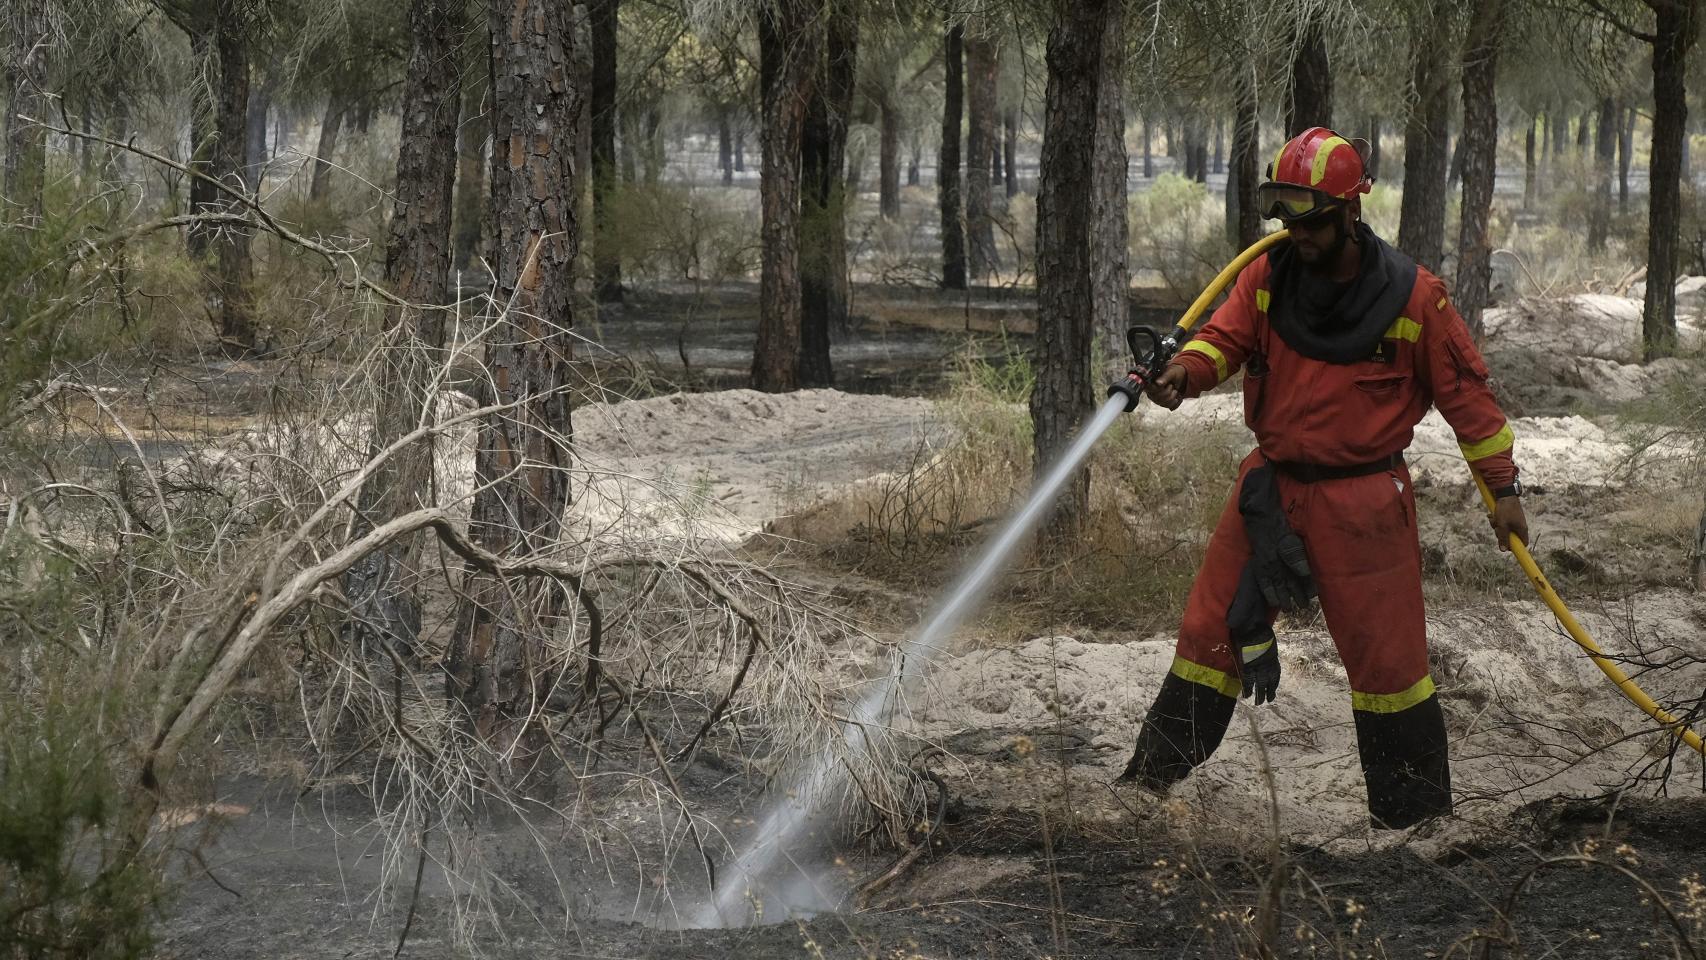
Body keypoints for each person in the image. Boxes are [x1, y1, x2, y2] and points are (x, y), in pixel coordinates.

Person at [1119, 126, 1528, 829]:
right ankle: (1144, 790)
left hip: (1364, 506)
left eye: (1310, 221)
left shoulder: (1415, 300)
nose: (1296, 234)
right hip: (1269, 489)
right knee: (1208, 633)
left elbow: (1470, 402)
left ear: (1350, 211)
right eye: (1285, 217)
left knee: (1389, 668)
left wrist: (1505, 490)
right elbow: (1221, 340)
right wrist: (1182, 374)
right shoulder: (1268, 276)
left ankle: (1413, 826)